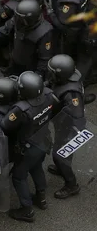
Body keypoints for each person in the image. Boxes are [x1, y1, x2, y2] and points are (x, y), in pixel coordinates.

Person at [0, 71, 58, 222]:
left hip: (28, 148)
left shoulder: (21, 108)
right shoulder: (48, 94)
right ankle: (41, 199)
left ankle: (27, 210)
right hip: (43, 141)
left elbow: (5, 125)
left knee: (18, 176)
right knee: (36, 168)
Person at [46, 55, 93, 199]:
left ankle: (71, 185)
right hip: (63, 125)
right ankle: (62, 168)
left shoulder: (71, 94)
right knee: (61, 155)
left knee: (59, 155)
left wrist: (71, 136)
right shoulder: (70, 78)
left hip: (71, 128)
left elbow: (77, 117)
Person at [0, 0, 53, 78]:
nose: (17, 19)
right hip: (15, 59)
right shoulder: (19, 19)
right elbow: (6, 29)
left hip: (29, 68)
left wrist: (38, 75)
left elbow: (44, 58)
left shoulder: (44, 31)